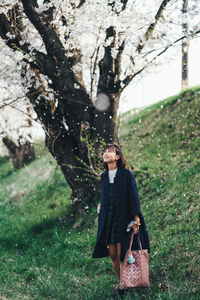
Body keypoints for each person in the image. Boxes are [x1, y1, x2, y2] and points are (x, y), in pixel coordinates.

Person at [92, 143, 150, 296]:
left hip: (123, 217)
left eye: (109, 151)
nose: (105, 153)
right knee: (112, 253)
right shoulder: (104, 176)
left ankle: (123, 286)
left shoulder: (126, 174)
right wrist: (101, 205)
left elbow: (133, 197)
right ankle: (122, 283)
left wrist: (136, 218)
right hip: (108, 217)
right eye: (104, 151)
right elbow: (105, 195)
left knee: (122, 251)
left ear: (117, 157)